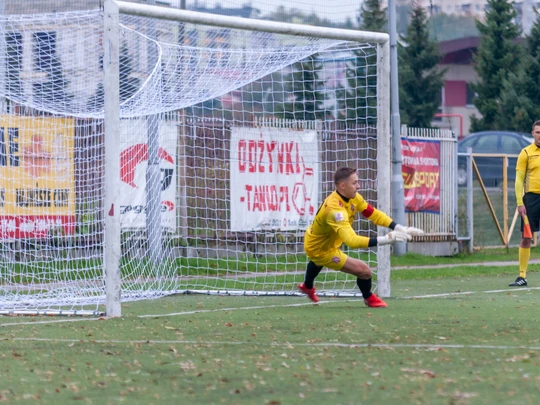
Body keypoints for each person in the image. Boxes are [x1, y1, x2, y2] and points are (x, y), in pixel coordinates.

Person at [298, 167, 424, 307]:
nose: (358, 186)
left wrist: (399, 227)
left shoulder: (353, 197)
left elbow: (373, 214)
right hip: (320, 250)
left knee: (317, 262)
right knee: (365, 271)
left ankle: (307, 286)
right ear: (343, 186)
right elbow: (352, 241)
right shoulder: (335, 211)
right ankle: (369, 297)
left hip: (317, 240)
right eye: (355, 183)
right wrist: (387, 239)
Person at [509, 120, 540, 287]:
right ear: (532, 133)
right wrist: (520, 203)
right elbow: (519, 180)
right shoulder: (526, 153)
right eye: (538, 132)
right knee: (526, 236)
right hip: (531, 199)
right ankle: (522, 276)